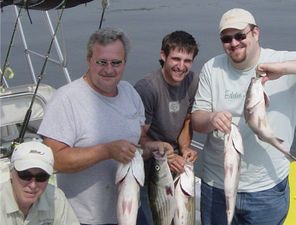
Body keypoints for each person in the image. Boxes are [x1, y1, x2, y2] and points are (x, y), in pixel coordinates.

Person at [191, 8, 296, 225]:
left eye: (240, 35)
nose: (233, 43)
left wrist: (284, 69)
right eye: (226, 38)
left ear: (255, 33)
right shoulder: (212, 68)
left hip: (266, 191)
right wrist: (211, 118)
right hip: (217, 185)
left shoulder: (282, 62)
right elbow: (197, 120)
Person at [37, 27, 171, 225]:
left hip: (132, 211)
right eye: (102, 62)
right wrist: (106, 151)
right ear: (89, 60)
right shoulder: (66, 99)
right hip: (83, 218)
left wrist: (151, 148)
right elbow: (54, 160)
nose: (109, 69)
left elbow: (136, 144)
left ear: (124, 63)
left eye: (116, 63)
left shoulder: (130, 94)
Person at [134, 30, 199, 224]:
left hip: (178, 165)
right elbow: (139, 138)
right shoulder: (147, 88)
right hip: (152, 169)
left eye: (187, 61)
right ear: (163, 56)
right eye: (176, 59)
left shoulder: (192, 81)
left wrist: (185, 147)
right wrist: (168, 157)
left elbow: (187, 120)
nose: (181, 66)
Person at [0, 141, 80, 225]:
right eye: (25, 175)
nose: (33, 185)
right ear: (10, 173)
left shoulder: (56, 199)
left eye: (41, 177)